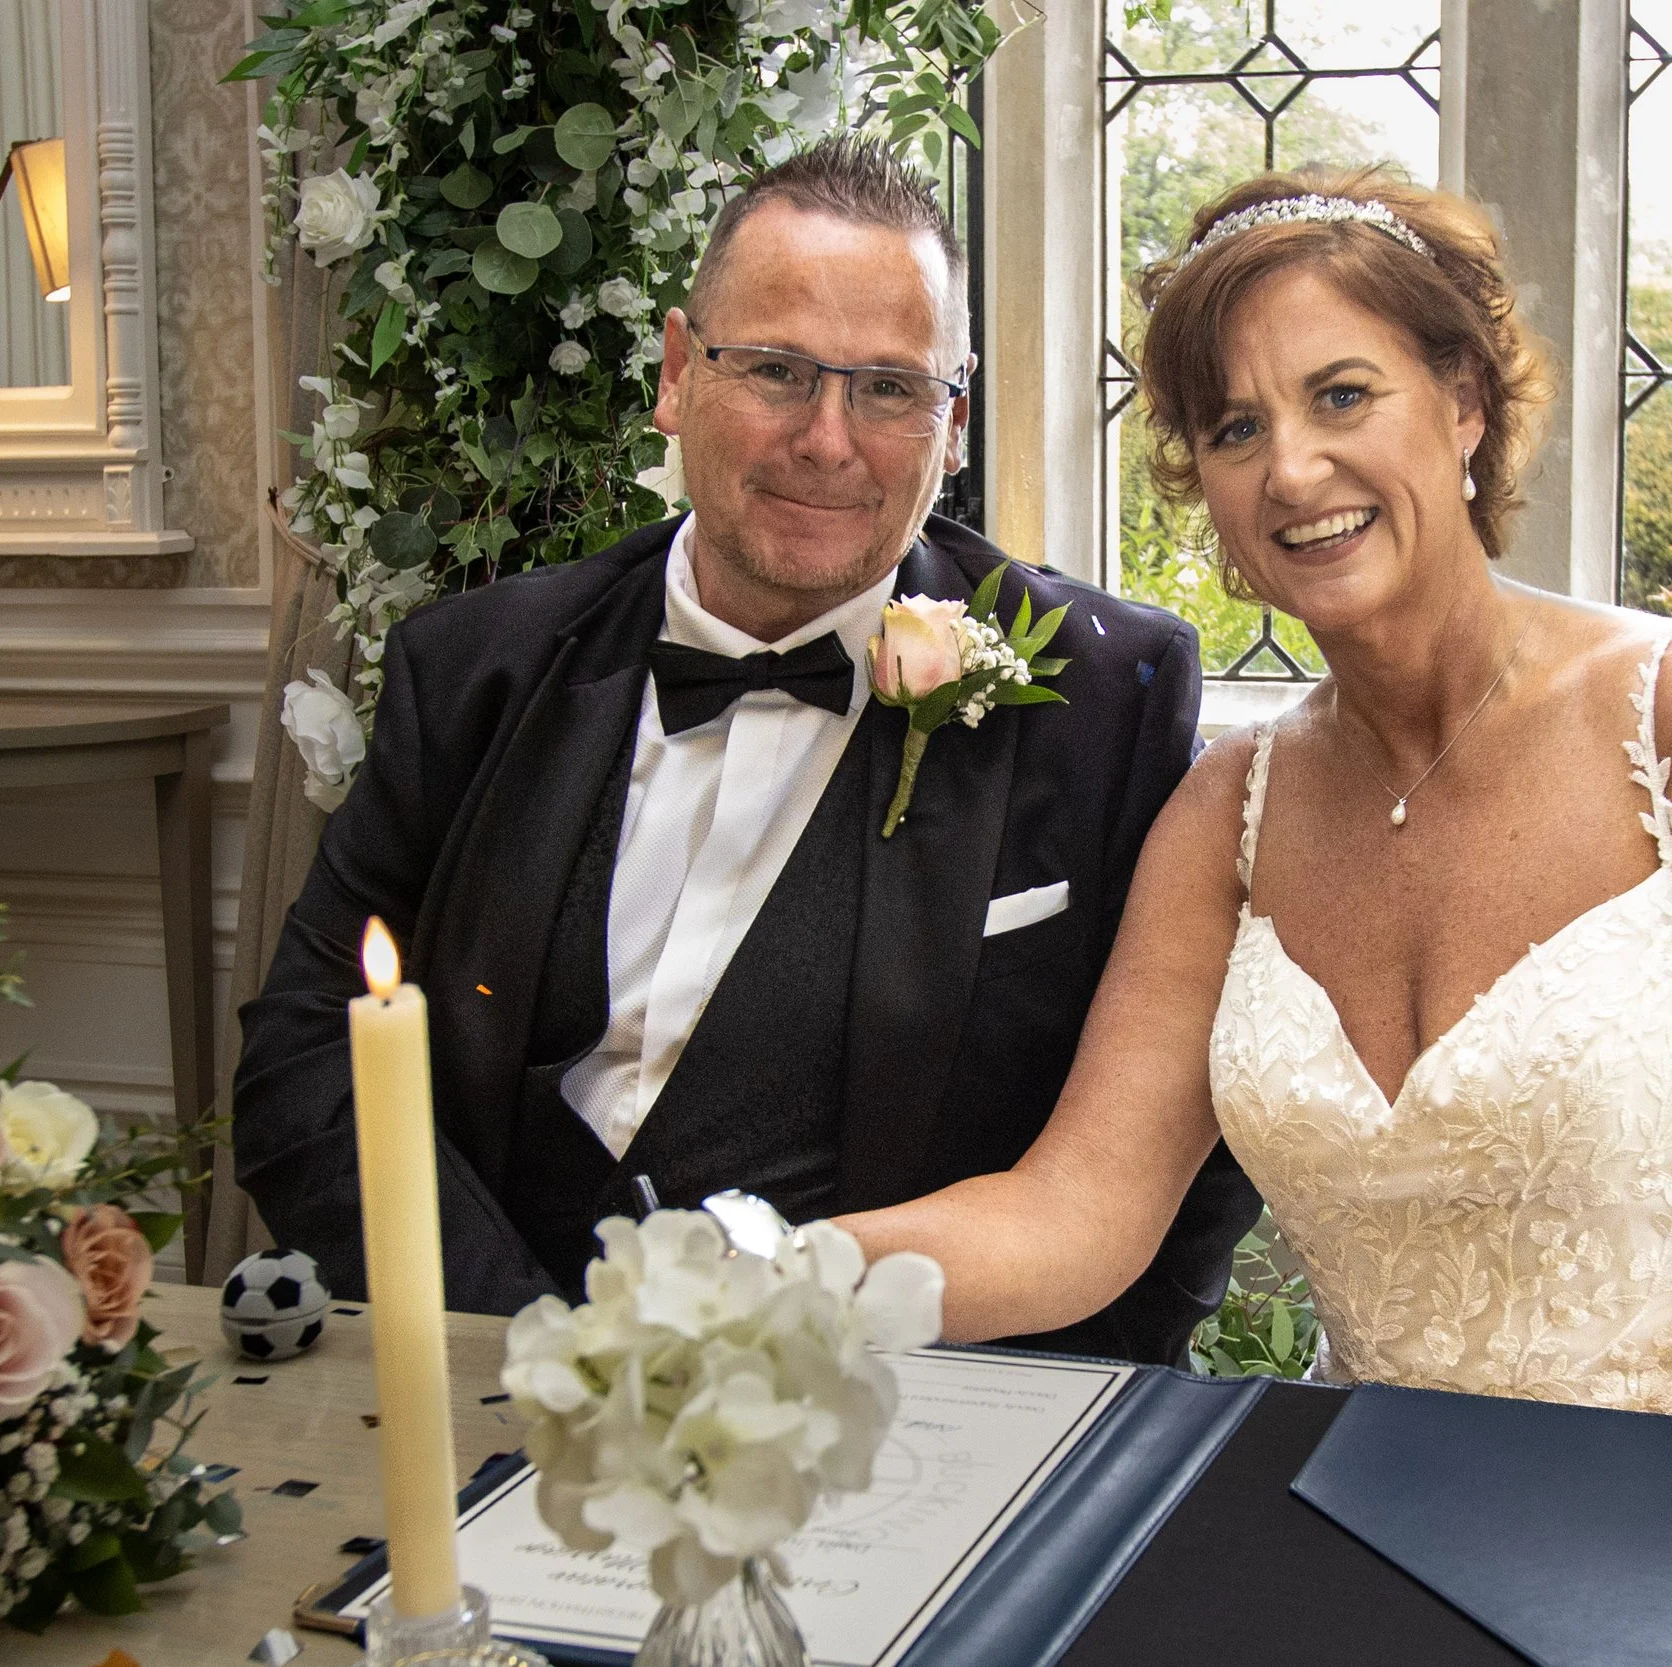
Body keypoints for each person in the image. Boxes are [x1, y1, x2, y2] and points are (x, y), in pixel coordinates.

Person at [839, 170, 1672, 1444]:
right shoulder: (1227, 812)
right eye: (1233, 427)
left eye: (1342, 395)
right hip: (1396, 1527)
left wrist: (1663, 1584)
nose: (1293, 468)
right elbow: (1075, 1218)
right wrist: (776, 1271)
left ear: (1466, 400)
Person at [231, 137, 1260, 1365]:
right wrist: (521, 1357)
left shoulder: (1101, 698)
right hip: (488, 1384)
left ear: (955, 420)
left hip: (889, 1418)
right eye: (775, 370)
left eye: (888, 389)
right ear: (675, 373)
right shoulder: (474, 669)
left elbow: (1187, 1167)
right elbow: (307, 1056)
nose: (829, 440)